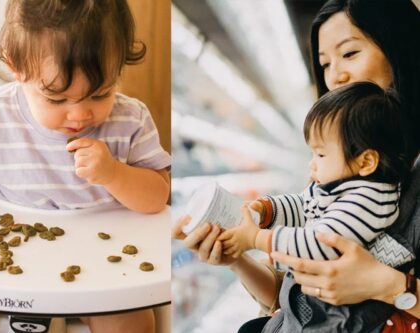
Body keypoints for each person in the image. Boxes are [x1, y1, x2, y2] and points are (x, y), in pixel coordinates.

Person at [0, 1, 170, 333]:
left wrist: (114, 174)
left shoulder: (131, 121)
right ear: (15, 67)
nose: (80, 115)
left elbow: (157, 194)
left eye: (100, 94)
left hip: (100, 272)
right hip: (0, 268)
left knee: (135, 322)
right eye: (57, 99)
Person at [173, 0, 420, 331]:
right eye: (325, 64)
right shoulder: (343, 166)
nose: (337, 76)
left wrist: (391, 287)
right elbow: (296, 302)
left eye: (349, 54)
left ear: (400, 51)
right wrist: (238, 259)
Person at [219, 82, 410, 331]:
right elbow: (304, 205)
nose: (313, 165)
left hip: (339, 321)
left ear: (366, 161)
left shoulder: (369, 201)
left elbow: (319, 245)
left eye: (320, 155)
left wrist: (257, 238)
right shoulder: (343, 187)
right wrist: (267, 211)